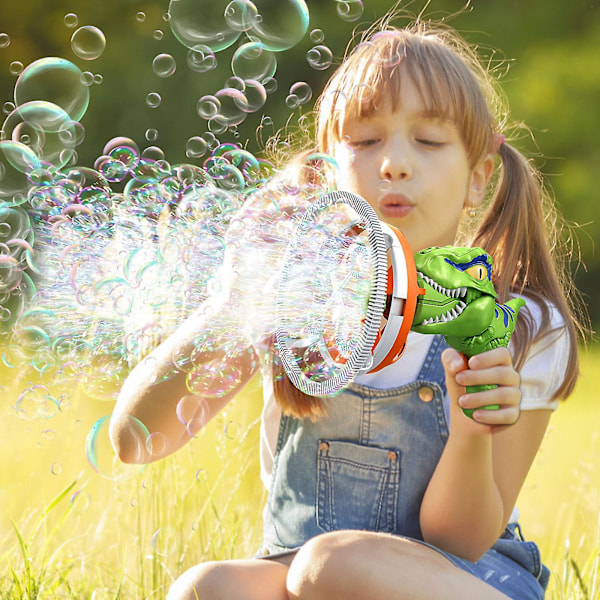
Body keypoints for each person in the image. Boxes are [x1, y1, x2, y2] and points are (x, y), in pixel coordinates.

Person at [109, 14, 588, 600]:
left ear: (478, 180)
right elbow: (137, 441)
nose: (393, 164)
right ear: (326, 175)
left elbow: (458, 539)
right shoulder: (296, 304)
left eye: (429, 141)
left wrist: (469, 433)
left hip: (465, 579)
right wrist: (237, 302)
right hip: (305, 573)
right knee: (206, 588)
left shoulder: (517, 326)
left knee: (329, 566)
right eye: (364, 141)